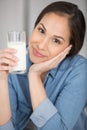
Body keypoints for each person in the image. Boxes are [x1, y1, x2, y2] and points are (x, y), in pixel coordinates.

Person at [0, 1, 87, 130]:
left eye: (56, 40)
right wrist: (2, 78)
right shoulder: (16, 60)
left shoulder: (79, 70)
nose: (41, 45)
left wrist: (34, 75)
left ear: (69, 48)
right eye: (41, 30)